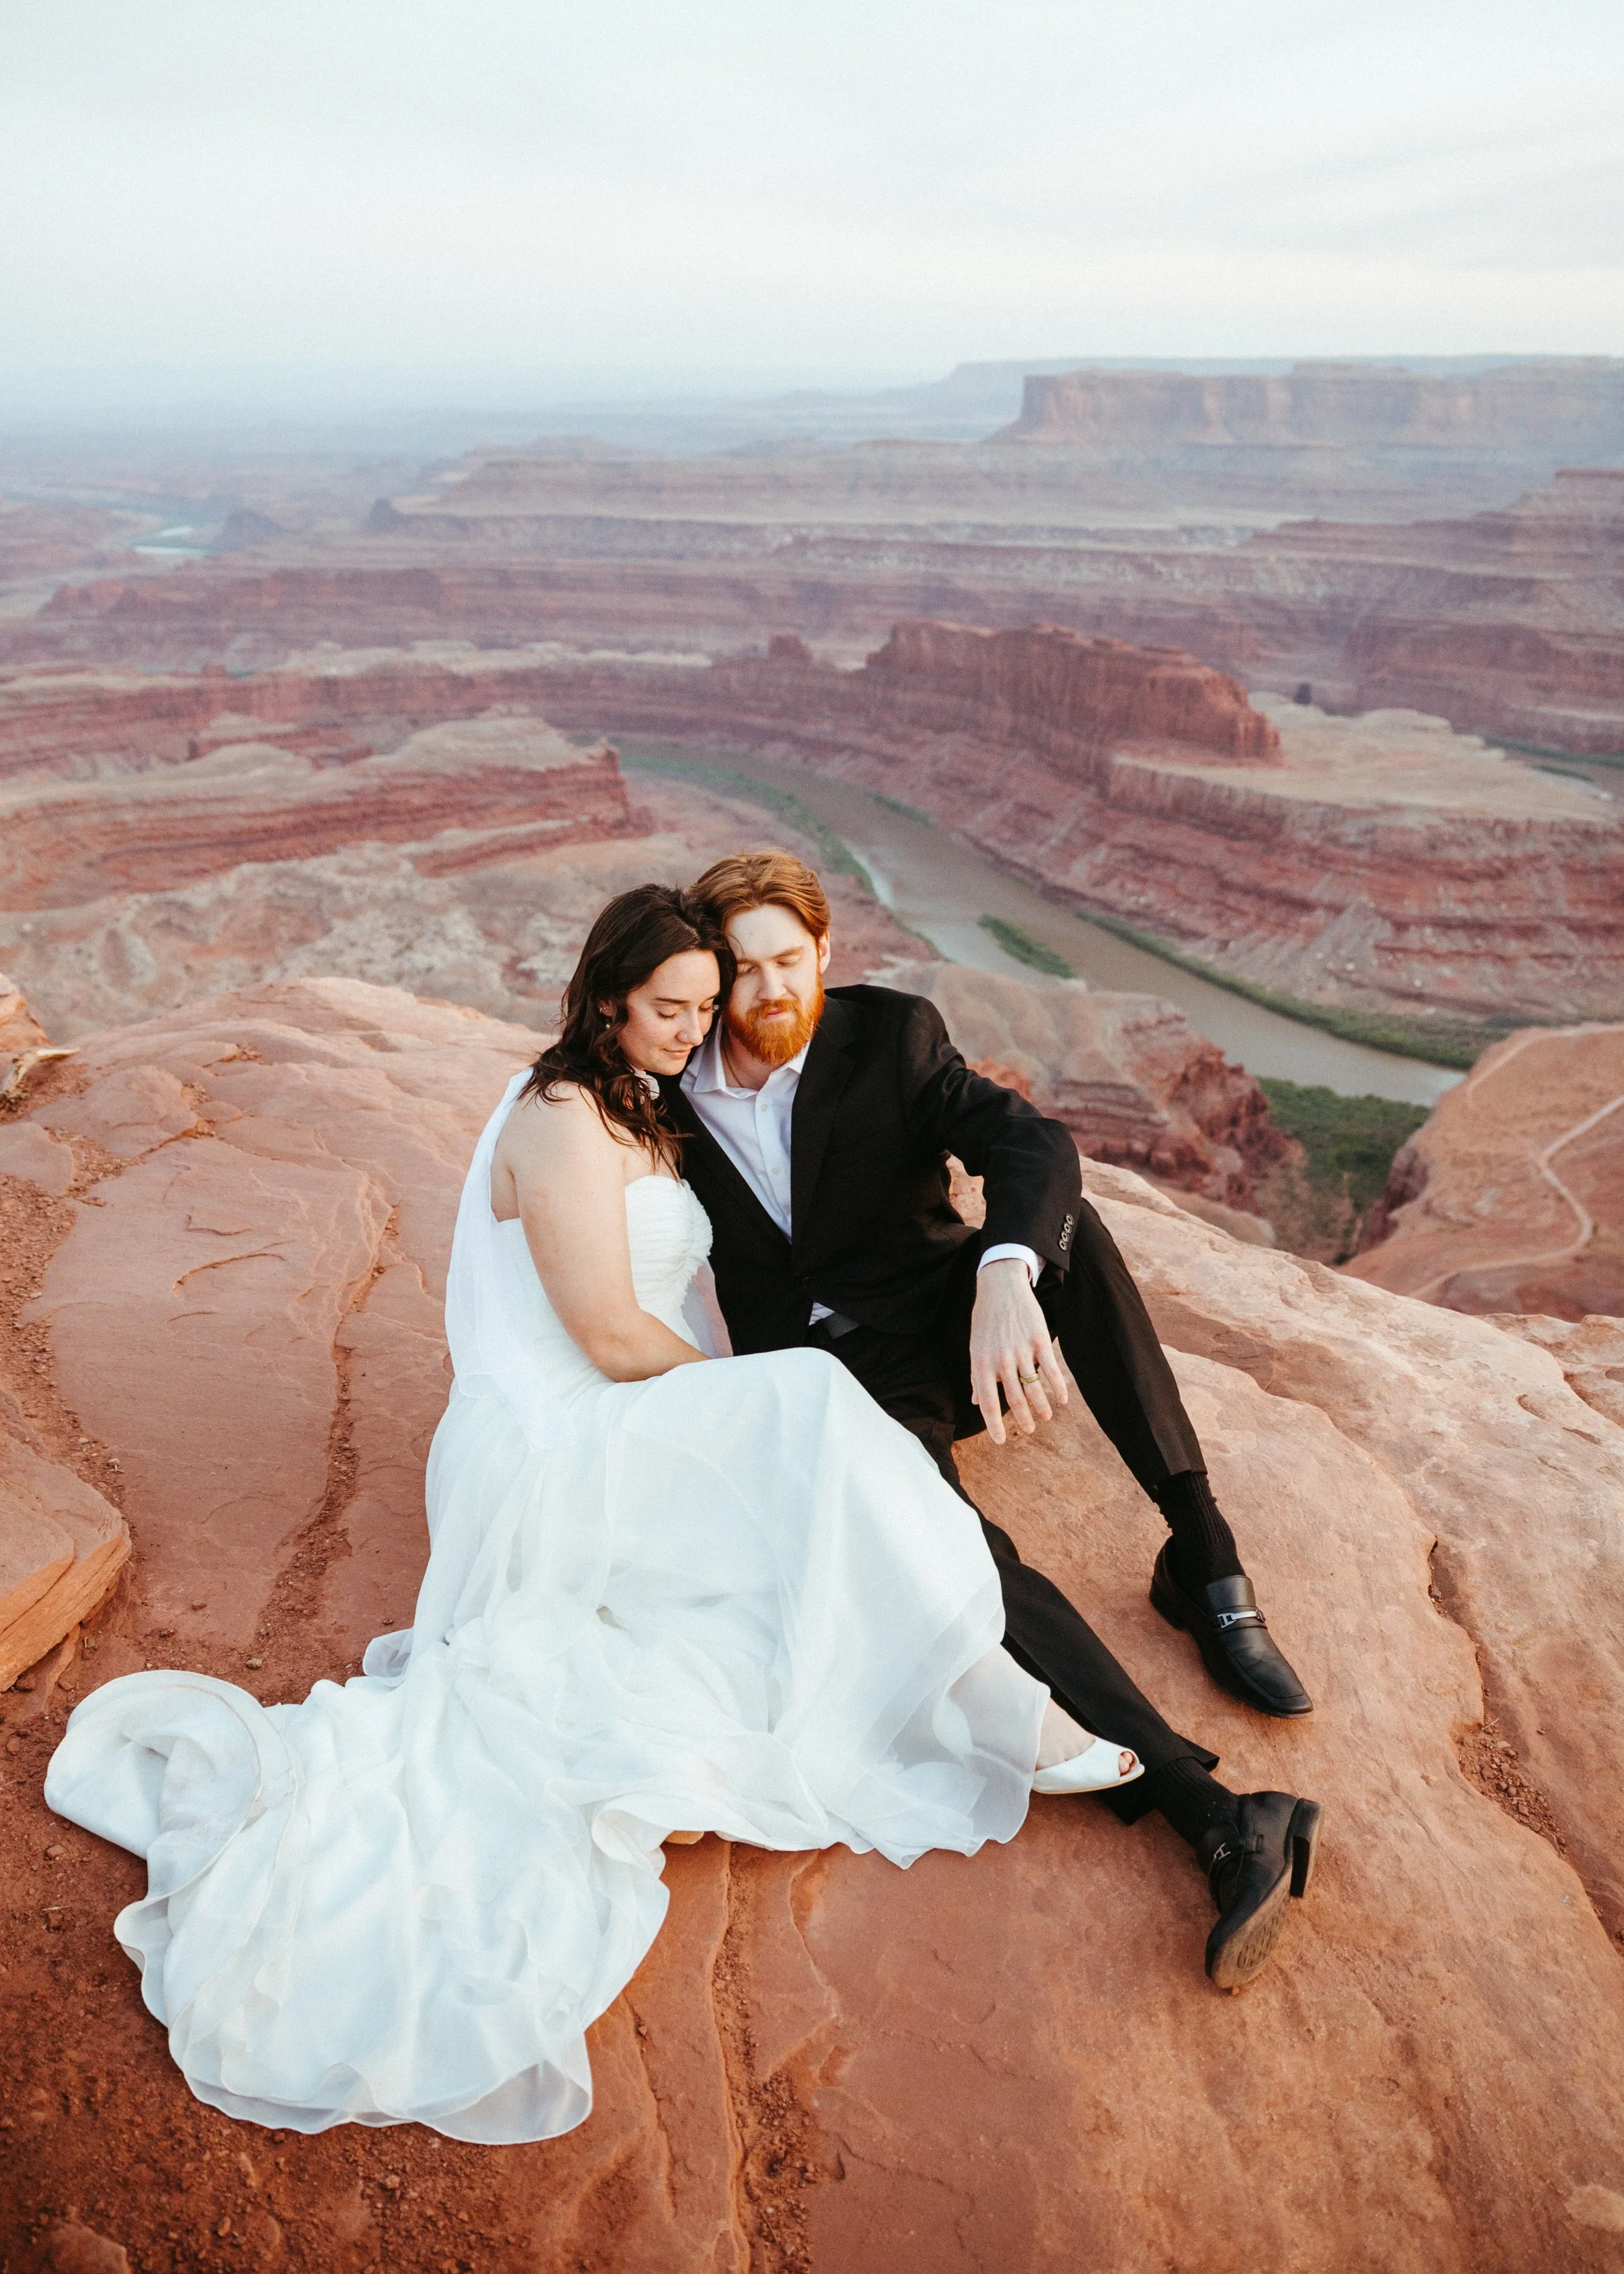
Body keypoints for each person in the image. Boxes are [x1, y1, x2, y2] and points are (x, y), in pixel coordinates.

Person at [44, 885, 1130, 2146]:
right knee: (816, 1414)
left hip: (619, 1413)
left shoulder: (640, 1102)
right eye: (666, 1009)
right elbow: (611, 1337)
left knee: (807, 1457)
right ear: (603, 997)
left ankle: (970, 1683)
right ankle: (997, 1704)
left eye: (704, 1010)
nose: (688, 1031)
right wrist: (761, 1405)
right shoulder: (561, 1115)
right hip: (555, 1437)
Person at [668, 848, 1323, 1989]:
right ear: (709, 977)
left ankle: (1202, 1551)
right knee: (956, 1554)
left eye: (788, 960)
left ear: (824, 951)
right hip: (829, 1390)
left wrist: (1005, 1271)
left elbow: (1031, 1146)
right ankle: (1217, 1812)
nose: (769, 989)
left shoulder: (890, 1034)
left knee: (1074, 1242)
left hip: (944, 1319)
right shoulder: (667, 1089)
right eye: (741, 969)